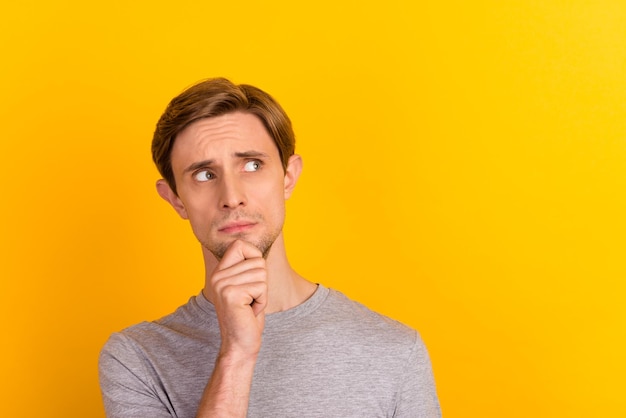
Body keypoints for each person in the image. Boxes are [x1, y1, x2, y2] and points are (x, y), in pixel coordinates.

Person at [98, 78, 441, 418]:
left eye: (252, 165)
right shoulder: (138, 359)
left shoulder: (395, 351)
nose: (232, 197)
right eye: (204, 174)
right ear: (175, 200)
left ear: (288, 176)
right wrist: (236, 354)